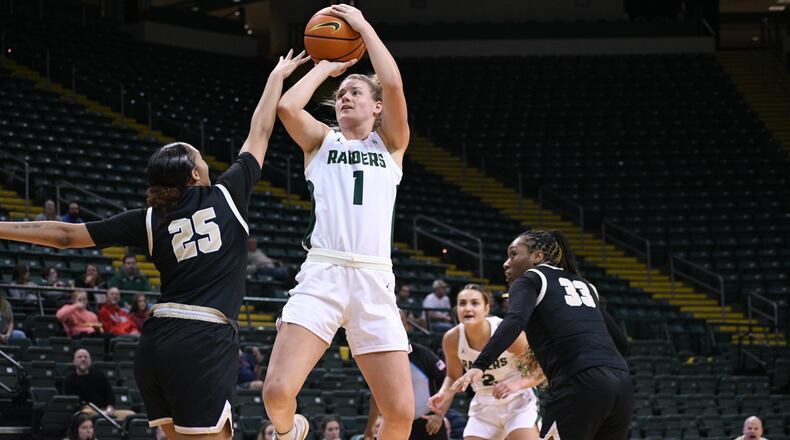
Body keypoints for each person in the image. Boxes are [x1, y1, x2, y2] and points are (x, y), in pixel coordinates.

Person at [0, 50, 308, 439]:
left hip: (156, 341)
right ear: (194, 173)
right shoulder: (227, 195)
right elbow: (260, 130)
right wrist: (277, 76)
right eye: (199, 157)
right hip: (202, 337)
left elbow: (66, 235)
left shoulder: (149, 219)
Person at [268, 5, 412, 440]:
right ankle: (290, 431)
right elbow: (287, 106)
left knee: (401, 414)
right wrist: (326, 67)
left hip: (373, 279)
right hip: (323, 273)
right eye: (342, 93)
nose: (345, 96)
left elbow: (393, 82)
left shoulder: (391, 144)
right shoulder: (321, 141)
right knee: (276, 393)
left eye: (356, 92)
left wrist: (364, 28)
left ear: (377, 107)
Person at [452, 230, 633, 440]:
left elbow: (514, 320)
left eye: (513, 254)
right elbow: (621, 342)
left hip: (580, 382)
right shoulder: (586, 285)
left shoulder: (531, 278)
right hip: (622, 384)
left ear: (537, 256)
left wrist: (480, 365)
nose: (506, 263)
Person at [427, 284, 539, 440]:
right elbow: (453, 377)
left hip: (517, 401)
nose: (468, 308)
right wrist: (444, 393)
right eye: (462, 303)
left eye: (475, 303)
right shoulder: (452, 339)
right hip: (483, 404)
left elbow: (541, 368)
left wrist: (516, 384)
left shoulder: (507, 331)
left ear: (486, 308)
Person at [365, 335, 449, 440]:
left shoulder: (422, 354)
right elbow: (377, 394)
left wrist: (439, 415)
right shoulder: (384, 360)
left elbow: (449, 379)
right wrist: (370, 426)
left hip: (429, 425)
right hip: (398, 424)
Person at [63, 348, 136, 420]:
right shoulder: (70, 380)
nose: (83, 359)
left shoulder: (99, 375)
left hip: (105, 411)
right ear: (74, 361)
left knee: (131, 414)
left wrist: (109, 407)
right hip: (86, 413)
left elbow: (110, 393)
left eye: (86, 357)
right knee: (86, 412)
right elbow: (74, 403)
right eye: (80, 357)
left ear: (90, 361)